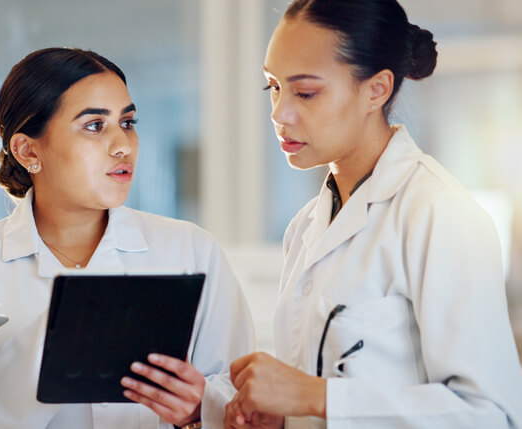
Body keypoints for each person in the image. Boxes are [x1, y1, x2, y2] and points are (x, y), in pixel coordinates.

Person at [0, 47, 254, 429]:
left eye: (127, 122)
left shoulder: (191, 249)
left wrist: (198, 409)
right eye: (94, 126)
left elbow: (240, 397)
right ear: (28, 150)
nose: (123, 145)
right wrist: (58, 338)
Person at [223, 0, 522, 428]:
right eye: (273, 86)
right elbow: (314, 398)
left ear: (376, 90)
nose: (279, 113)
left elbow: (492, 415)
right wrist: (280, 416)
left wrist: (316, 397)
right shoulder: (305, 227)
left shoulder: (438, 213)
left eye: (305, 92)